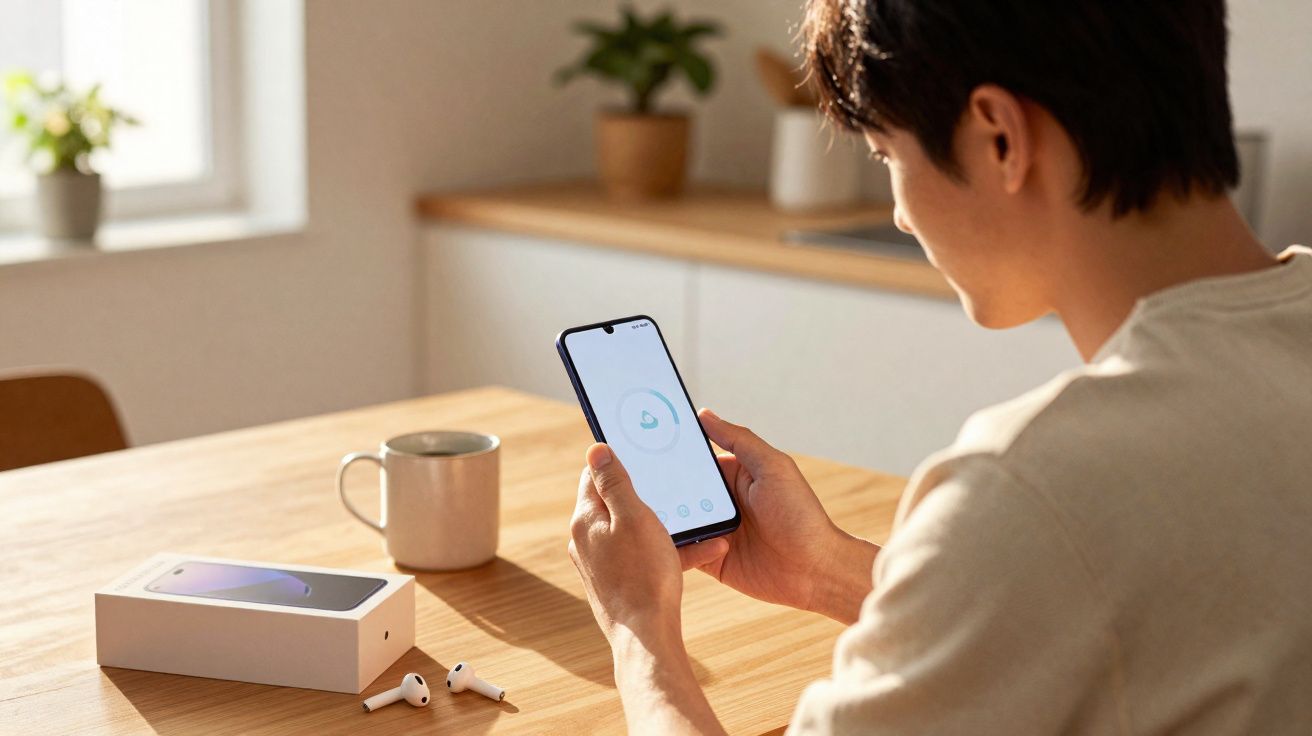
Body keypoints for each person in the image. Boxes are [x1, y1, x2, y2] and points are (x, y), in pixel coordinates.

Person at [566, 0, 1312, 733]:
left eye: (888, 155)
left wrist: (639, 629)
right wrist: (826, 569)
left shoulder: (1027, 485)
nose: (898, 212)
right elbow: (1108, 614)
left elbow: (1053, 550)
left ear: (999, 138)